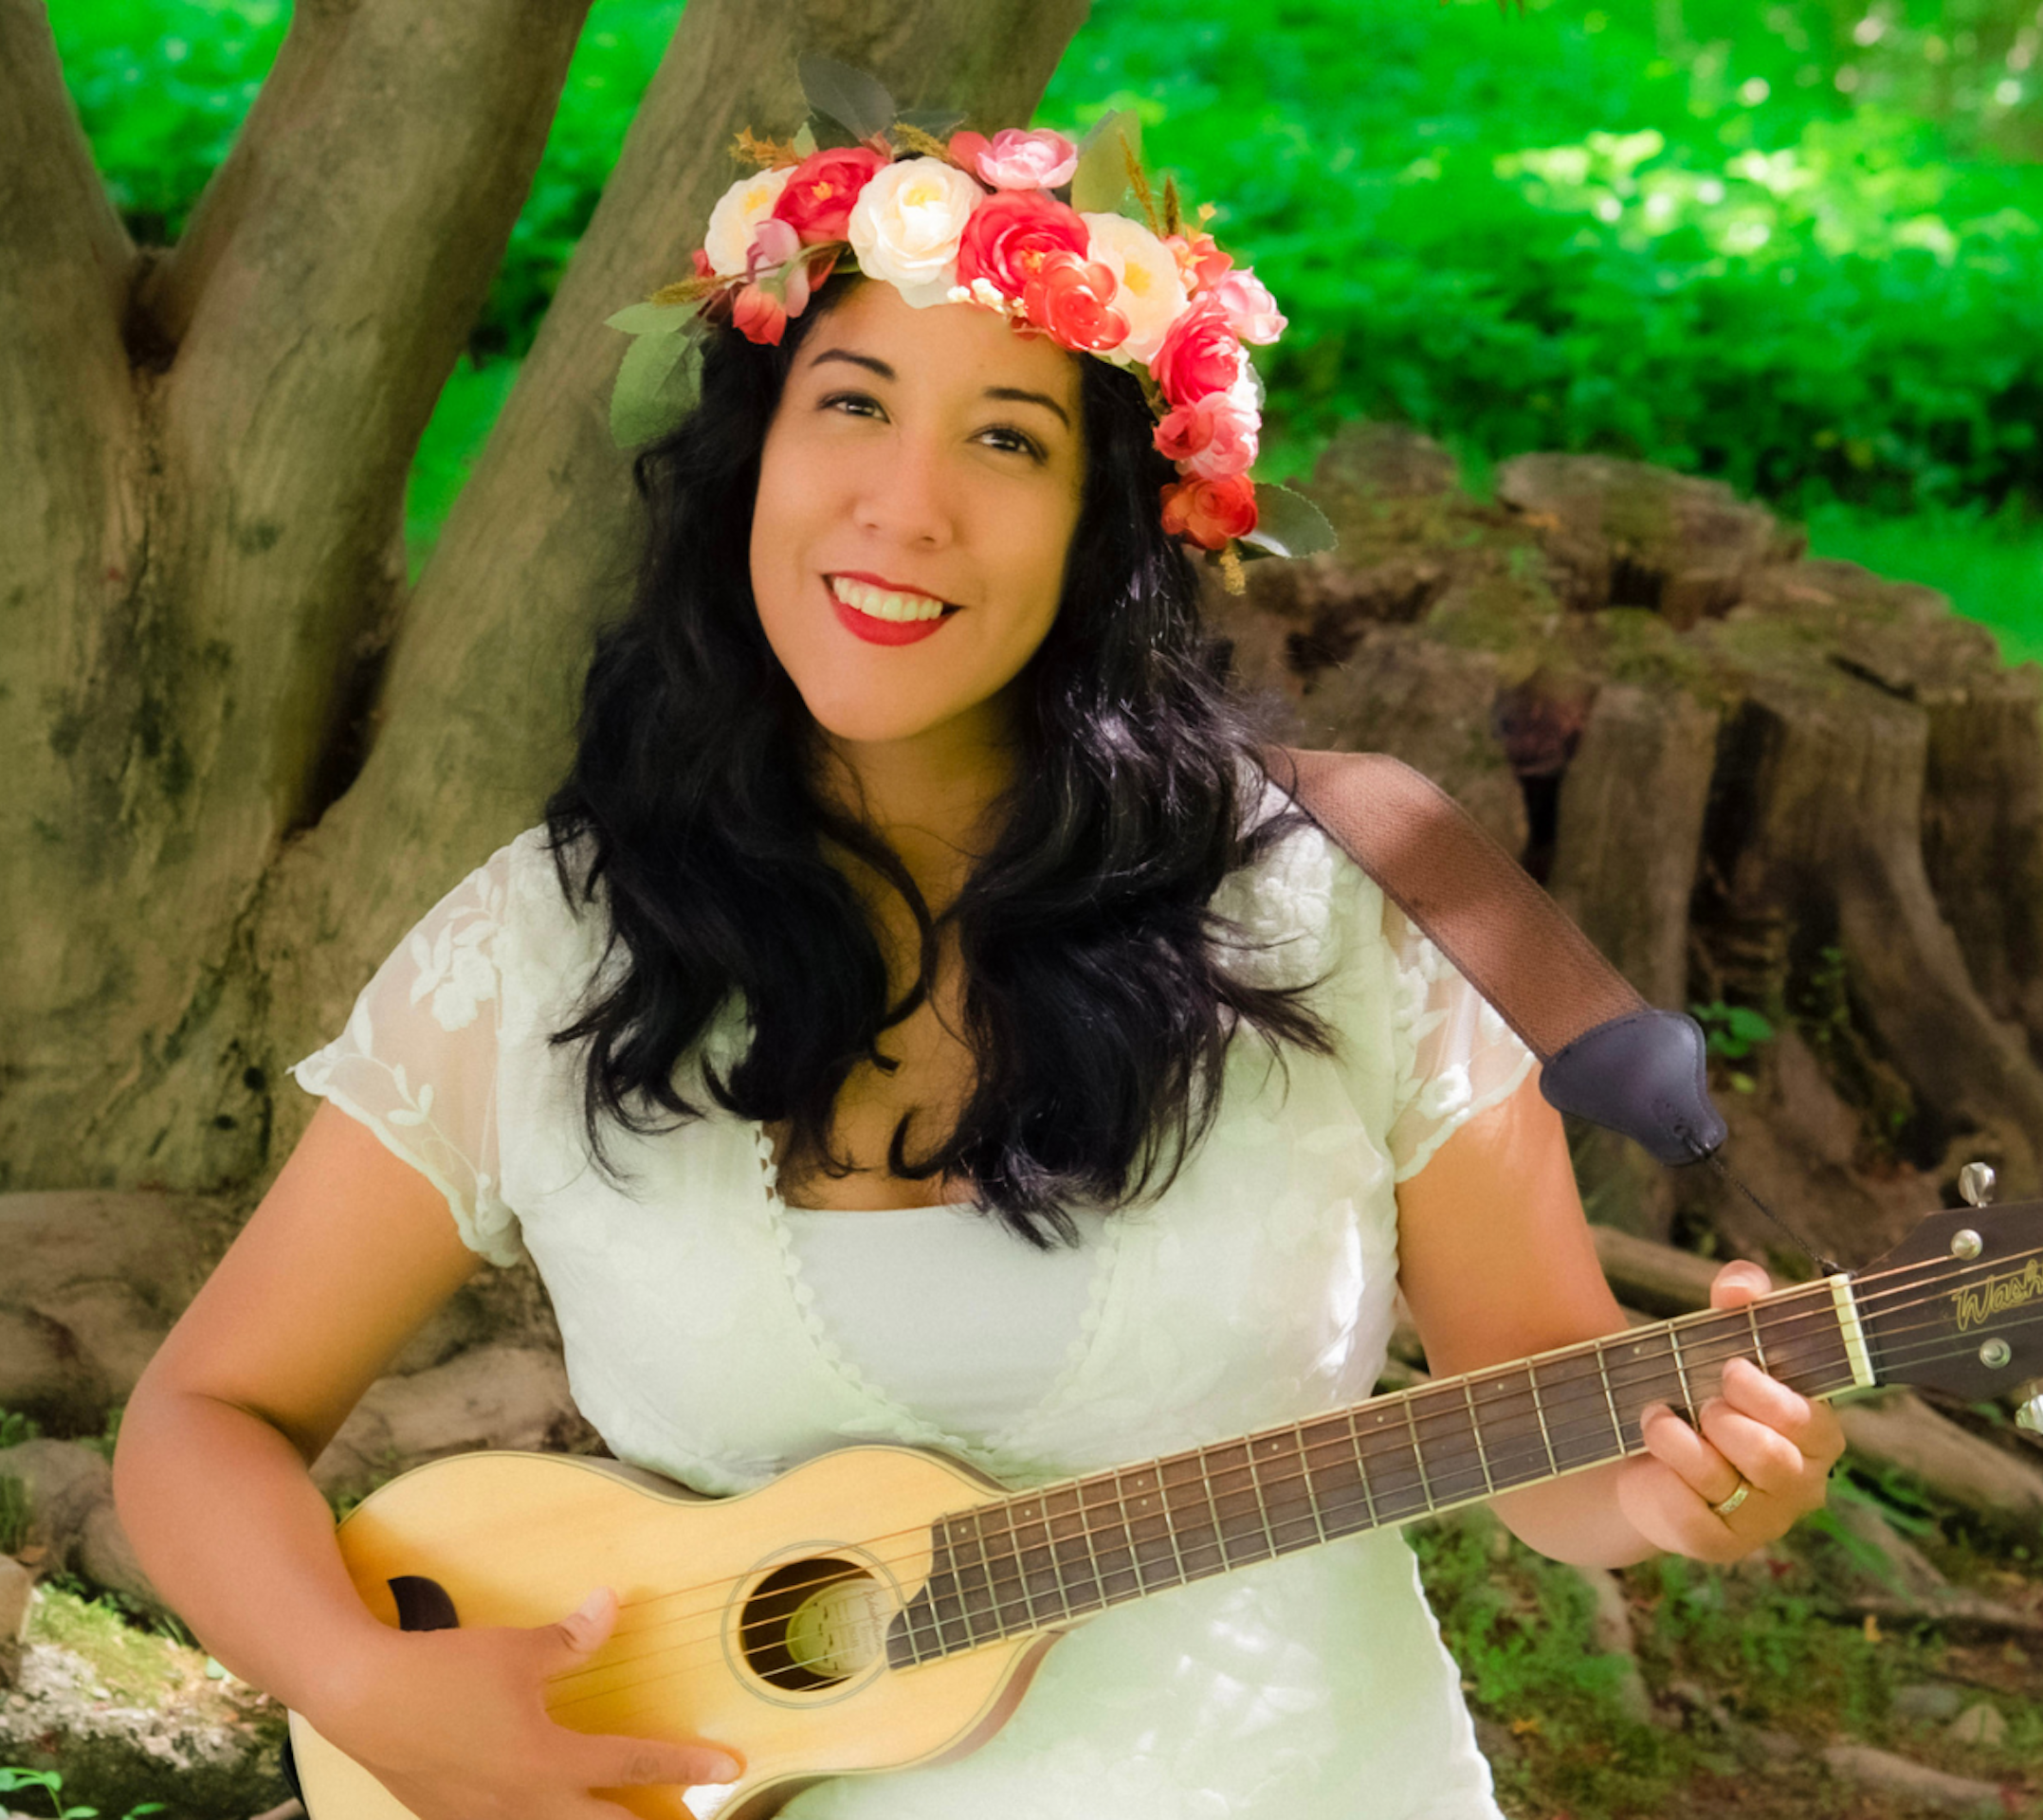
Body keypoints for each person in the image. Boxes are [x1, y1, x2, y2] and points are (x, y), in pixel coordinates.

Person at [113, 116, 1846, 1820]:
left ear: (1109, 525)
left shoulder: (1332, 911)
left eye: (1008, 443)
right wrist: (361, 1686)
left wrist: (1688, 1488)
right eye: (852, 405)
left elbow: (1542, 1407)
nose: (906, 508)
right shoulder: (545, 947)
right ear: (753, 463)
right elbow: (205, 1414)